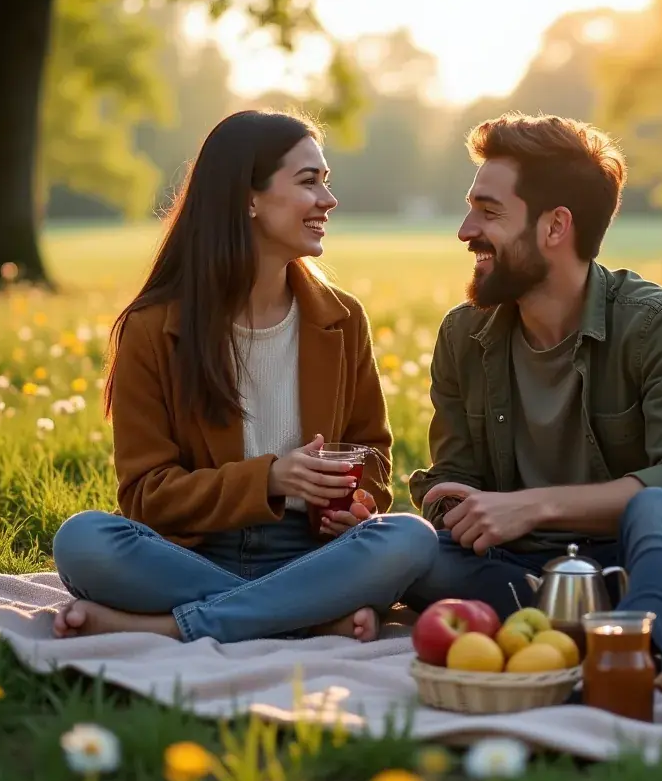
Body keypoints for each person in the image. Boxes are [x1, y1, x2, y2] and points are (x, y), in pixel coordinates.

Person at [403, 112, 662, 670]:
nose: (465, 230)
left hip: (647, 550)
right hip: (525, 566)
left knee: (658, 510)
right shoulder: (463, 336)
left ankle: (625, 663)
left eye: (488, 212)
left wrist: (533, 507)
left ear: (555, 227)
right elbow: (455, 477)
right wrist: (449, 504)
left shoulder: (657, 324)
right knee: (409, 554)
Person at [51, 110, 438, 644]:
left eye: (326, 181)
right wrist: (271, 478)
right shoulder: (153, 329)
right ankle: (306, 617)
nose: (328, 200)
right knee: (84, 540)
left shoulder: (342, 320)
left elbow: (370, 454)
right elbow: (145, 497)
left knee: (411, 539)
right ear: (247, 199)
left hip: (311, 554)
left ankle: (179, 625)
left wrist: (357, 508)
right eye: (309, 181)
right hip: (190, 553)